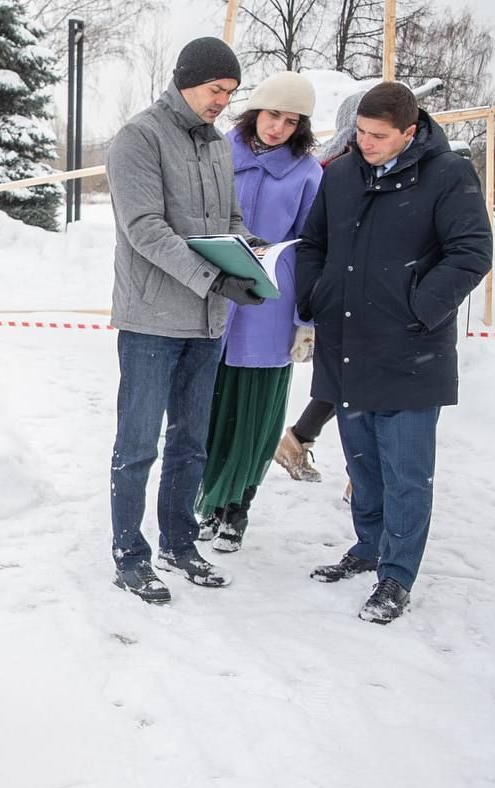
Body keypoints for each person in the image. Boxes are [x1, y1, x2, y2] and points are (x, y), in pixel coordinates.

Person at [295, 82, 493, 623]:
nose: (366, 143)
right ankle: (368, 546)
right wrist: (316, 295)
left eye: (378, 136)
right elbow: (313, 245)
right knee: (362, 460)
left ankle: (397, 574)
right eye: (360, 132)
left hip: (410, 349)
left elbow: (472, 251)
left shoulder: (448, 175)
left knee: (406, 468)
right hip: (348, 344)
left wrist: (419, 307)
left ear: (410, 132)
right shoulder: (340, 174)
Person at [105, 36, 265, 604]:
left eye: (230, 92)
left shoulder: (218, 146)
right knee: (139, 443)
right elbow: (144, 228)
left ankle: (177, 540)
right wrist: (210, 277)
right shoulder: (139, 137)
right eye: (216, 89)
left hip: (206, 323)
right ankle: (130, 553)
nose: (224, 101)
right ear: (185, 81)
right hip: (152, 319)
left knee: (192, 441)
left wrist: (252, 250)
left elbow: (229, 219)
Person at [196, 71, 322, 553]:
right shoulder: (217, 153)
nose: (278, 129)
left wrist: (305, 322)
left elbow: (314, 249)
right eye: (273, 115)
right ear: (255, 112)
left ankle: (238, 509)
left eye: (291, 122)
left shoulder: (308, 174)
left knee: (256, 412)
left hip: (273, 301)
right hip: (214, 296)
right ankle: (208, 502)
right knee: (210, 407)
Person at [272, 90, 363, 484]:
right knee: (353, 384)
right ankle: (360, 477)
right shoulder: (337, 171)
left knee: (346, 381)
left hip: (353, 291)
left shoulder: (334, 165)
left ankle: (299, 441)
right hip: (341, 291)